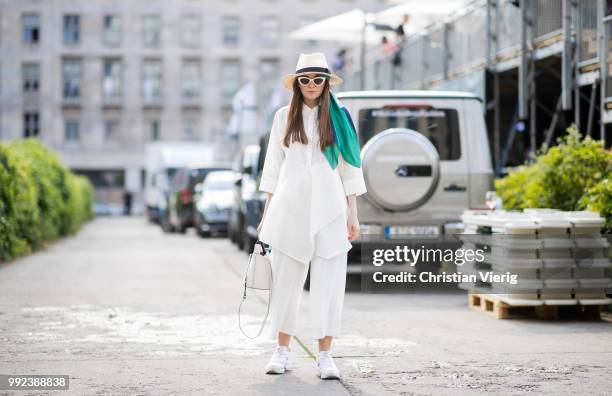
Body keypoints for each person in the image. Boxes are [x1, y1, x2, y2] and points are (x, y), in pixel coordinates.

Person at [256, 52, 367, 380]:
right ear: (297, 83)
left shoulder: (339, 116)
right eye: (305, 79)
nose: (312, 85)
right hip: (290, 205)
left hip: (330, 205)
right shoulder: (282, 117)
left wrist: (353, 213)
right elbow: (272, 168)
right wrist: (266, 214)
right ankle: (282, 350)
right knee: (286, 278)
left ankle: (325, 355)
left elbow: (349, 166)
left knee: (330, 280)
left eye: (318, 79)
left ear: (327, 82)